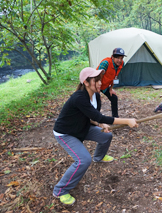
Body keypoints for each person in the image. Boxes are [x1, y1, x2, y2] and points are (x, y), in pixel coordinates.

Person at [52, 67, 138, 205]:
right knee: (83, 160)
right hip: (66, 133)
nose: (99, 83)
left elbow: (92, 116)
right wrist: (127, 121)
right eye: (96, 80)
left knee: (105, 136)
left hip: (82, 126)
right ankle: (60, 190)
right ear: (86, 82)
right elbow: (99, 116)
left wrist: (100, 124)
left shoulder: (96, 95)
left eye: (100, 80)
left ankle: (98, 157)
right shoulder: (79, 97)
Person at [97, 48, 126, 118]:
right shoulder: (106, 63)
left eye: (121, 58)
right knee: (97, 101)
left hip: (105, 85)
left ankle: (115, 118)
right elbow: (97, 77)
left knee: (114, 98)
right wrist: (97, 92)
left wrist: (110, 89)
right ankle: (96, 120)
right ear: (112, 57)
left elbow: (115, 75)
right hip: (96, 85)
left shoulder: (122, 64)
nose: (119, 60)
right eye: (117, 58)